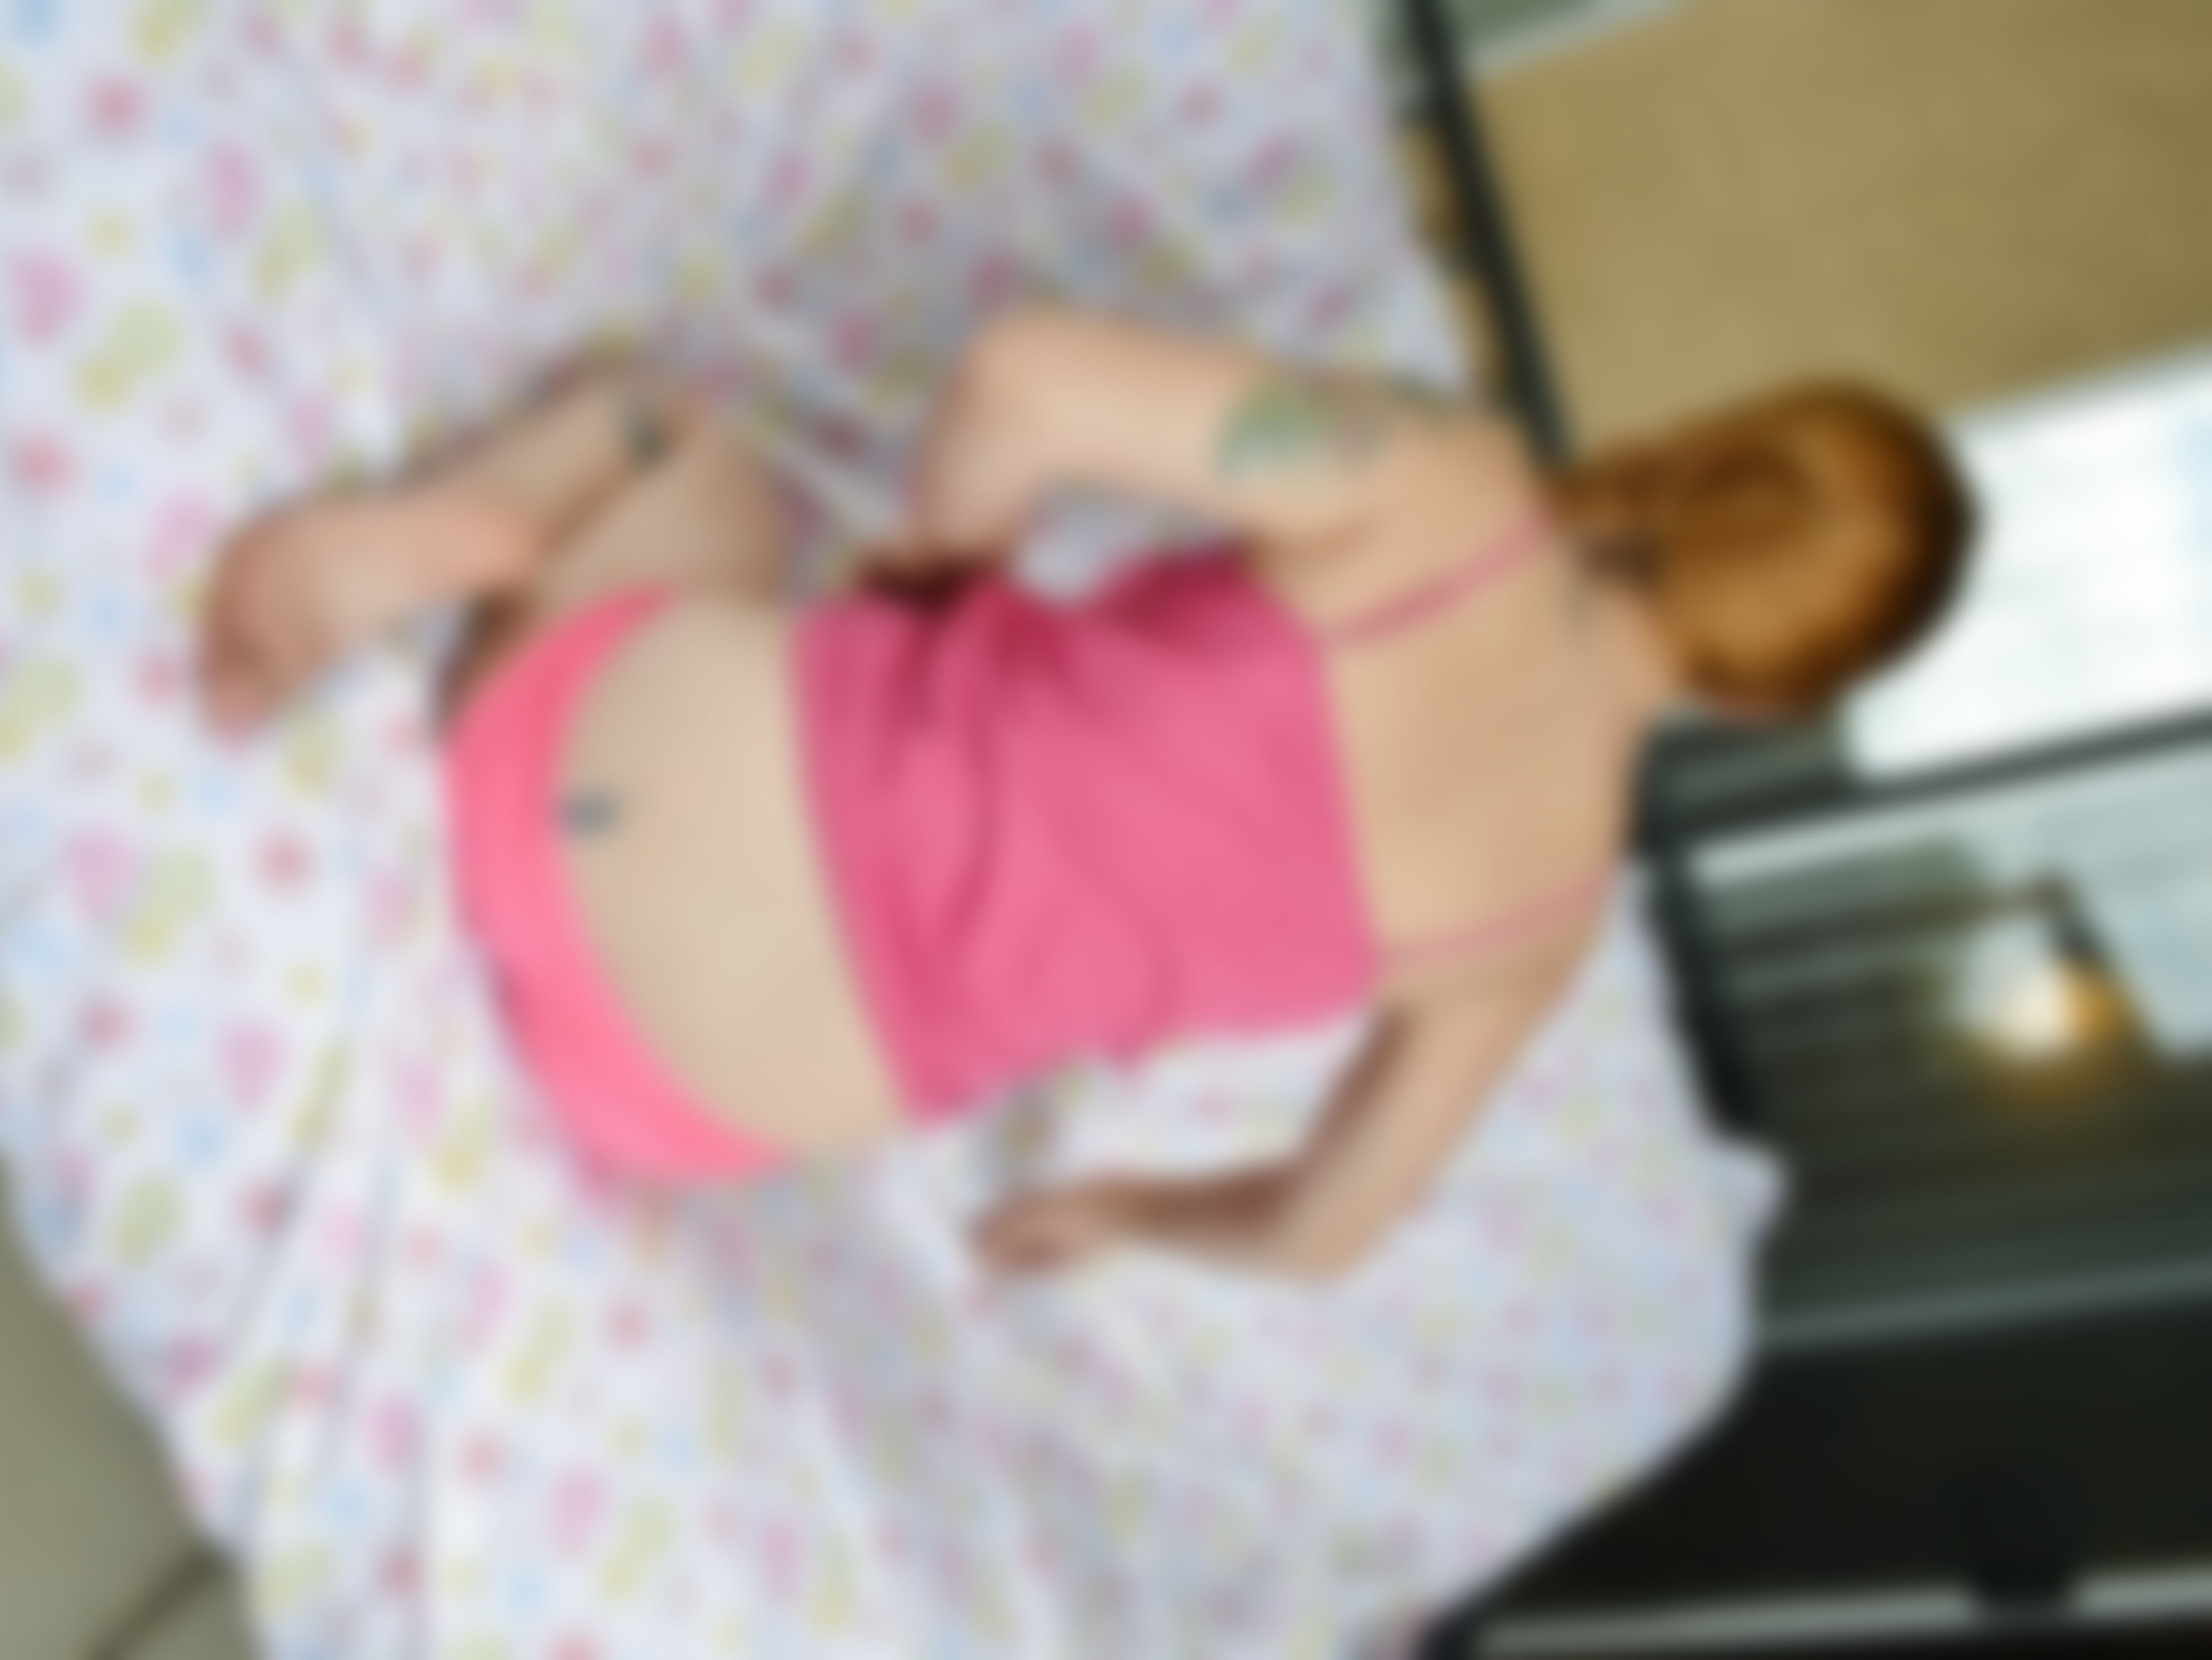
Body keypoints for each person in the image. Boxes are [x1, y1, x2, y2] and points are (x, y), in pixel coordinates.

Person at [199, 309, 1975, 1280]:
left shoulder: (1445, 478)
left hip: (582, 776)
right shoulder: (1539, 930)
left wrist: (944, 564)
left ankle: (454, 540)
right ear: (1774, 695)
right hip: (671, 1087)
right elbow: (1322, 1235)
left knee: (677, 429)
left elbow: (1020, 382)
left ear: (1713, 450)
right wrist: (1129, 1212)